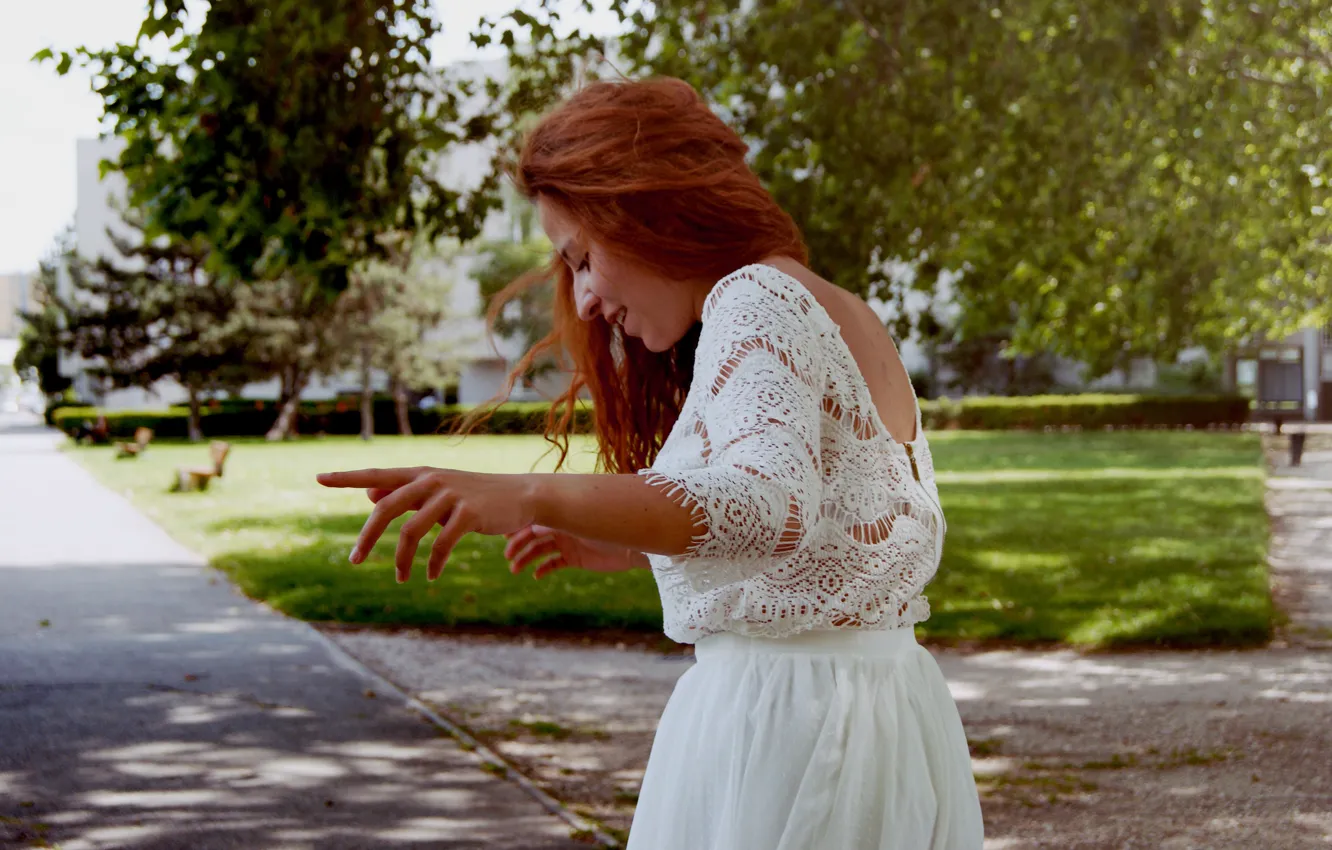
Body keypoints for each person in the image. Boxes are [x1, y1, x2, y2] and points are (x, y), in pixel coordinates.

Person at [318, 77, 984, 849]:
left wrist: (534, 495)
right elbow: (841, 528)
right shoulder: (840, 307)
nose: (588, 298)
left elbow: (769, 508)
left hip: (788, 733)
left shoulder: (753, 297)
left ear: (646, 209)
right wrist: (635, 544)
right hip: (879, 717)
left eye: (584, 257)